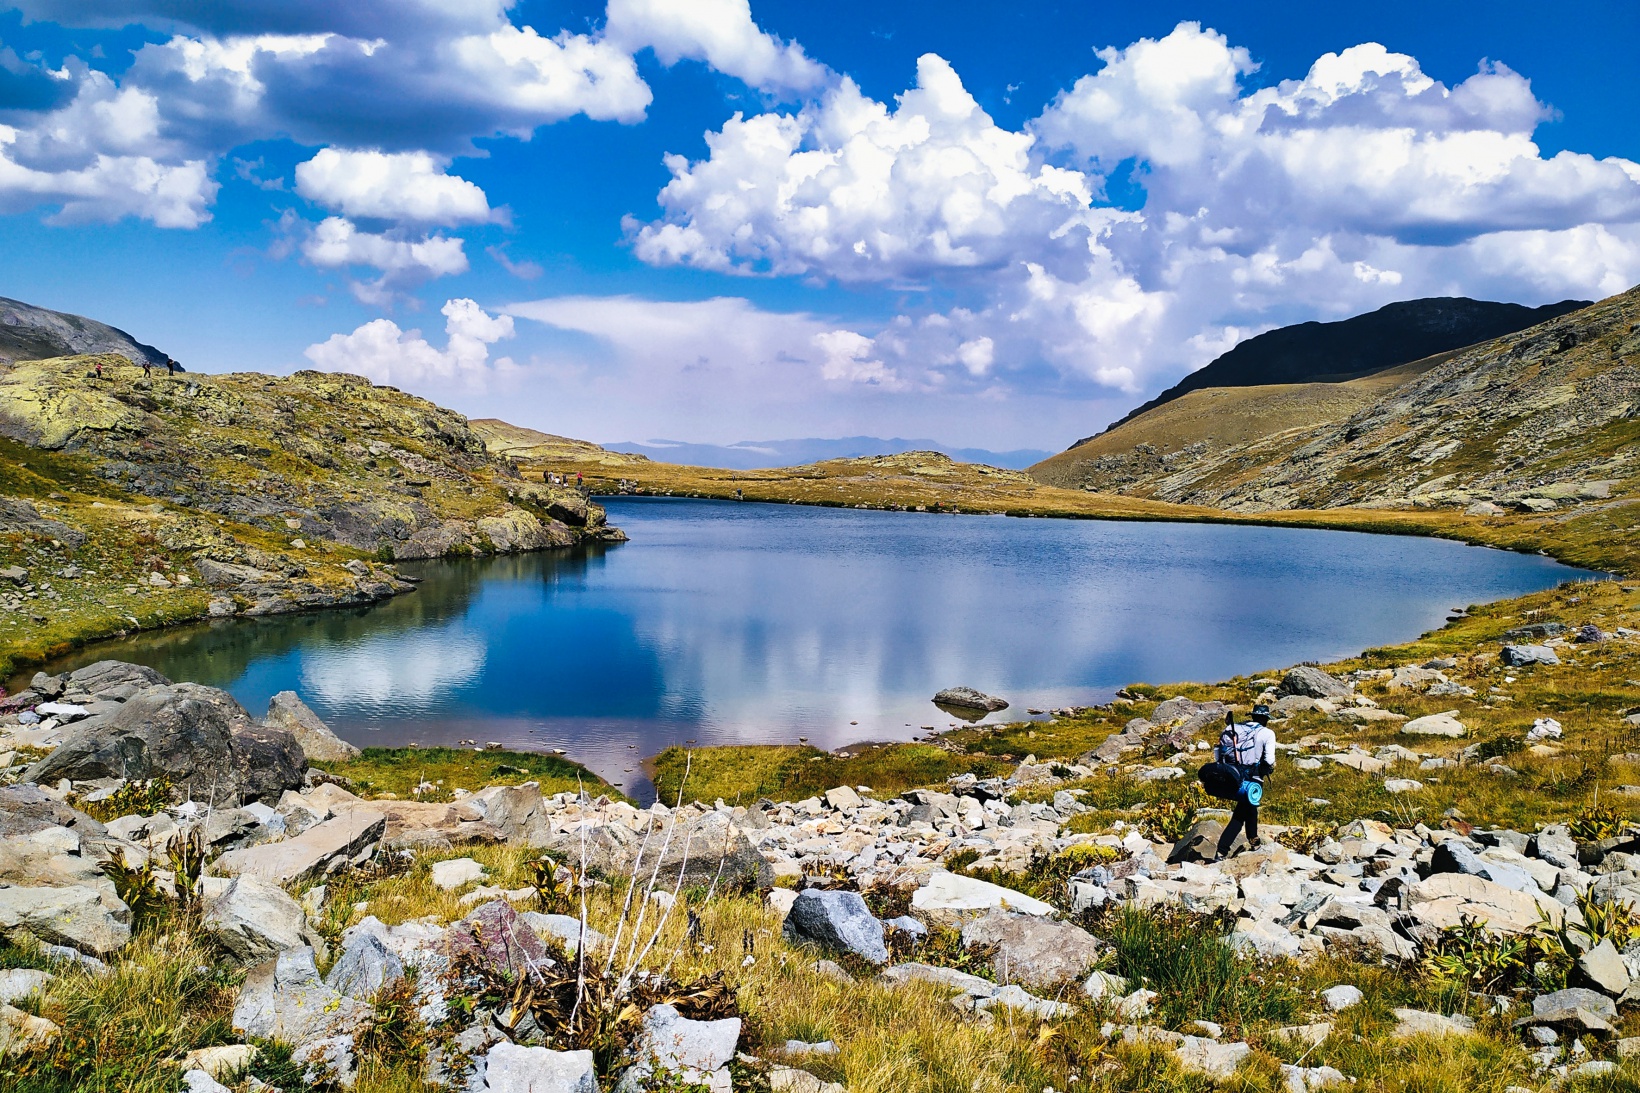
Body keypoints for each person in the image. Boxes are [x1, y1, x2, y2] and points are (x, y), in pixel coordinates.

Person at [1216, 703, 1276, 859]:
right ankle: (1221, 850)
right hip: (1253, 779)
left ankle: (1254, 840)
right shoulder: (1267, 733)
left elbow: (1219, 754)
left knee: (1249, 808)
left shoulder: (1233, 728)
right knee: (1240, 815)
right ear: (1265, 719)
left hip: (1231, 775)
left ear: (1253, 716)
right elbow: (1269, 760)